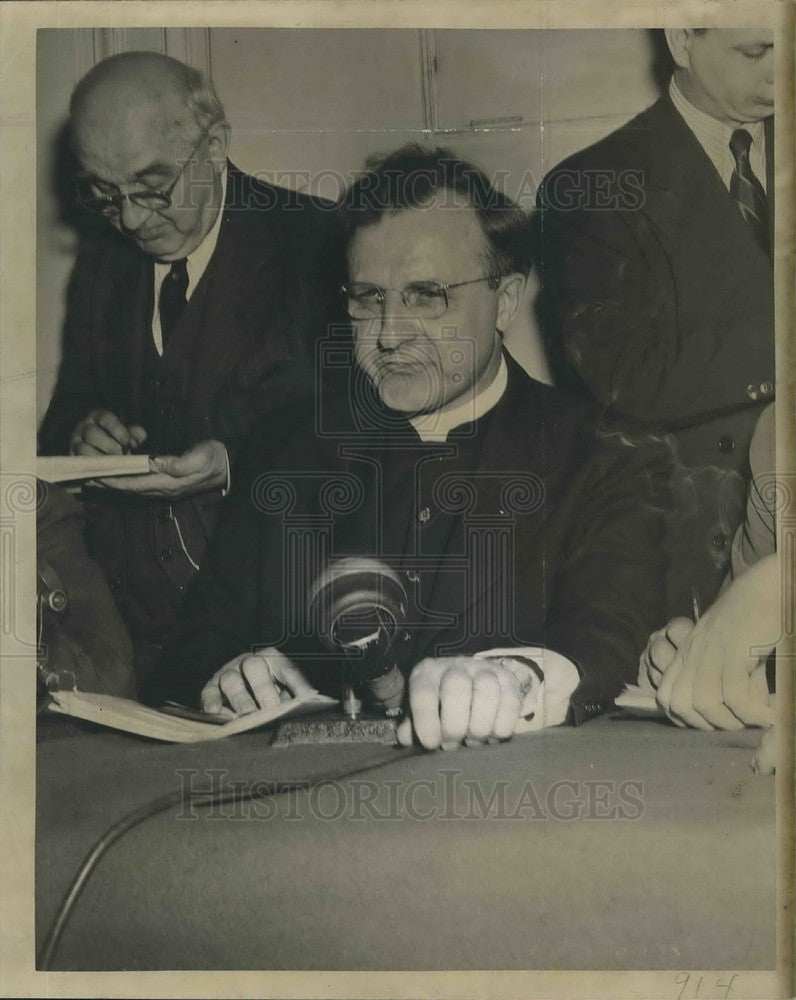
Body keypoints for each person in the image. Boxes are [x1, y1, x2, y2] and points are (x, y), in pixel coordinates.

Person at [146, 145, 669, 750]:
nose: (389, 335)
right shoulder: (284, 448)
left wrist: (517, 677)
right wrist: (227, 680)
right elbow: (191, 650)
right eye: (369, 299)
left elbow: (610, 638)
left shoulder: (606, 455)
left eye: (426, 295)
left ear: (504, 301)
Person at [38, 52, 343, 687]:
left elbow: (363, 440)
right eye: (103, 193)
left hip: (263, 639)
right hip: (122, 640)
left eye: (152, 189)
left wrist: (234, 462)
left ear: (214, 146)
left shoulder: (321, 245)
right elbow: (66, 409)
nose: (130, 219)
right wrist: (80, 431)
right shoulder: (101, 265)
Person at [536, 28, 775, 618]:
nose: (782, 73)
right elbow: (626, 377)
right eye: (756, 51)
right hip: (707, 548)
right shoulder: (592, 187)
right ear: (682, 38)